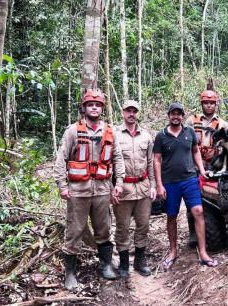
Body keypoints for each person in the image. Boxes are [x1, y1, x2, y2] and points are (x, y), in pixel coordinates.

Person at [53, 88, 125, 290]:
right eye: (90, 105)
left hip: (102, 189)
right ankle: (70, 274)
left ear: (102, 108)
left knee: (103, 230)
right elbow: (61, 159)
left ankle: (106, 266)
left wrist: (118, 184)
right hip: (78, 190)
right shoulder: (73, 131)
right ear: (84, 108)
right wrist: (62, 185)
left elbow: (118, 158)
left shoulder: (109, 131)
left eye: (98, 105)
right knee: (74, 231)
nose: (94, 108)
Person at [153, 102, 218, 269]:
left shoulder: (189, 131)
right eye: (173, 114)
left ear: (183, 116)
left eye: (179, 114)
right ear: (169, 116)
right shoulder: (161, 136)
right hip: (170, 182)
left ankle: (203, 252)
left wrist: (202, 171)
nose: (176, 116)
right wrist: (159, 184)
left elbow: (195, 151)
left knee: (198, 211)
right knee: (172, 215)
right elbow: (157, 160)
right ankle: (173, 251)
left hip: (189, 179)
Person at [112, 100, 156, 278]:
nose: (131, 114)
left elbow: (151, 163)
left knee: (143, 225)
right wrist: (112, 187)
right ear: (122, 112)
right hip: (123, 188)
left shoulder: (146, 136)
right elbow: (109, 163)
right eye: (128, 111)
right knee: (122, 226)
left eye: (134, 111)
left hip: (143, 187)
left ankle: (140, 259)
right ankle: (123, 262)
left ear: (138, 113)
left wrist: (153, 185)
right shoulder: (115, 135)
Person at [183, 89, 228, 247]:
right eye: (206, 103)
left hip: (214, 168)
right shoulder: (191, 121)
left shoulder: (223, 124)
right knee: (192, 202)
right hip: (193, 168)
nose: (209, 105)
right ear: (202, 104)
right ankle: (193, 233)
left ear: (216, 104)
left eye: (211, 103)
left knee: (213, 200)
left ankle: (215, 230)